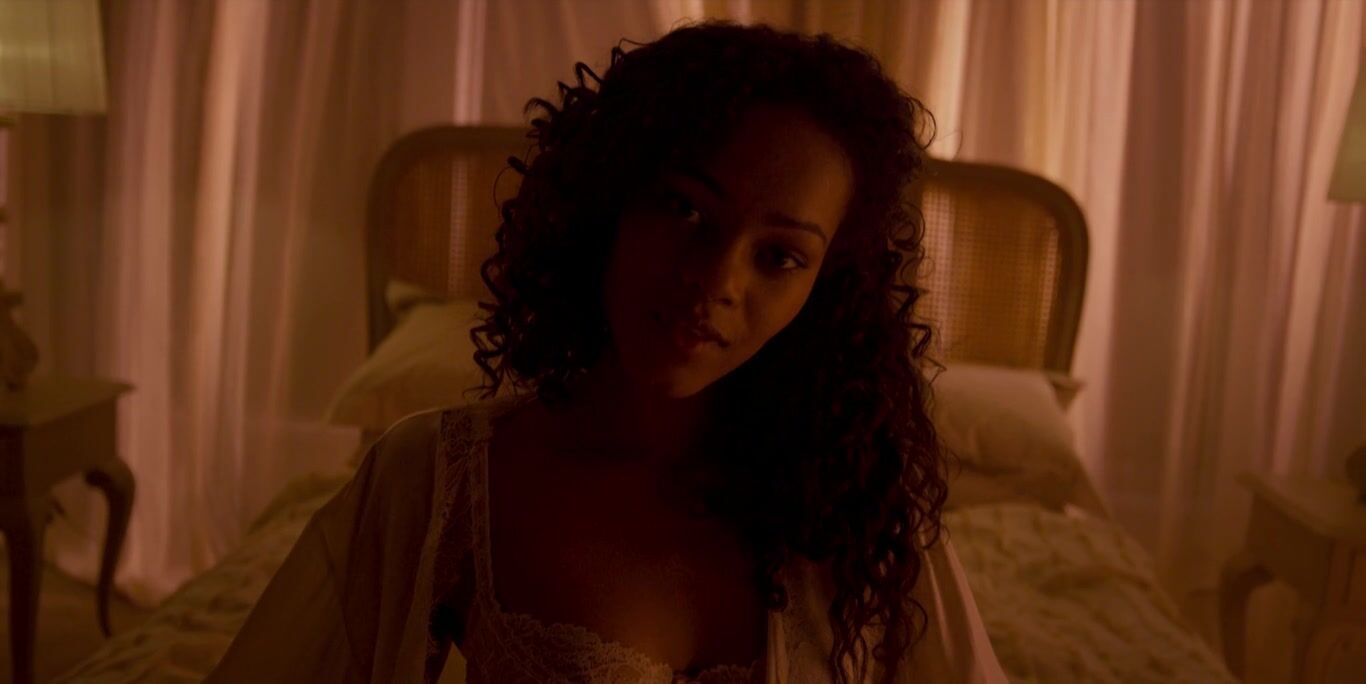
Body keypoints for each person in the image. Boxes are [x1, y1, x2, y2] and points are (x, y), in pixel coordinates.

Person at [209, 21, 1006, 684]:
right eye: (684, 210)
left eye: (780, 256)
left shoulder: (864, 508)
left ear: (824, 290)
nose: (716, 282)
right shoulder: (444, 479)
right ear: (609, 202)